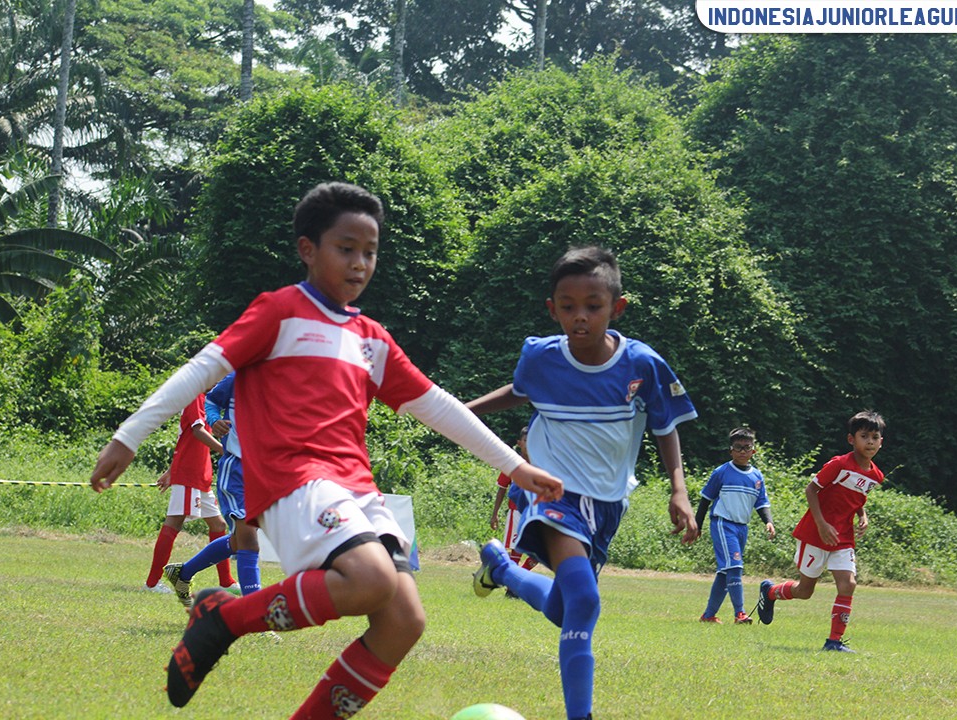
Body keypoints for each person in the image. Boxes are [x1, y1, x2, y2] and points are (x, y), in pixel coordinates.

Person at [89, 182, 564, 718]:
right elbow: (204, 369)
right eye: (346, 248)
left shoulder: (371, 339)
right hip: (293, 481)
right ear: (308, 250)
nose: (361, 263)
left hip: (356, 487)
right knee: (370, 579)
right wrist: (128, 435)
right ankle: (224, 618)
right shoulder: (280, 311)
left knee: (403, 621)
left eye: (371, 251)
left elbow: (437, 404)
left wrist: (516, 466)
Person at [467, 245, 699, 720]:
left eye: (593, 306)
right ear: (552, 309)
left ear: (617, 307)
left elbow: (665, 426)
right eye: (568, 306)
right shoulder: (540, 358)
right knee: (586, 601)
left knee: (563, 608)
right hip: (554, 493)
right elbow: (520, 393)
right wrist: (460, 413)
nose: (580, 317)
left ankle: (502, 569)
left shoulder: (643, 365)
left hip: (608, 503)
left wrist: (679, 488)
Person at [755, 410, 886, 653]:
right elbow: (811, 491)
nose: (870, 441)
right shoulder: (839, 464)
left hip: (843, 537)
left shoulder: (876, 475)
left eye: (875, 437)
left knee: (848, 584)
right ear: (851, 439)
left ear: (881, 441)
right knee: (805, 591)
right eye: (864, 436)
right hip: (815, 533)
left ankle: (833, 642)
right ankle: (770, 592)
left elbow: (857, 498)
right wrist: (822, 524)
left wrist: (862, 515)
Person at [163, 371, 259, 609]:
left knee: (238, 541)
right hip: (236, 468)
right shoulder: (239, 378)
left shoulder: (289, 383)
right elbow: (212, 402)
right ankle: (254, 616)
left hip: (265, 473)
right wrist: (215, 420)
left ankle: (183, 573)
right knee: (248, 538)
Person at [143, 394, 234, 595]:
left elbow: (184, 440)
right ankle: (151, 583)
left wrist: (170, 470)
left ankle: (226, 581)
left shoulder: (207, 400)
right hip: (189, 475)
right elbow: (196, 431)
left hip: (200, 476)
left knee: (218, 525)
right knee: (174, 523)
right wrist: (224, 450)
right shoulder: (195, 397)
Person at [694, 426, 775, 625]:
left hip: (742, 527)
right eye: (737, 448)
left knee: (725, 572)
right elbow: (705, 499)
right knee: (735, 566)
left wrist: (769, 522)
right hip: (723, 523)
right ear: (730, 450)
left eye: (746, 448)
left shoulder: (757, 476)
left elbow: (761, 503)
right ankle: (740, 613)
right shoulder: (722, 472)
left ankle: (708, 615)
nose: (742, 452)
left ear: (753, 451)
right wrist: (696, 525)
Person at [489, 426, 538, 585]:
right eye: (525, 440)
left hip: (537, 512)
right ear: (519, 443)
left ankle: (515, 576)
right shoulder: (512, 463)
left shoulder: (541, 463)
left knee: (539, 552)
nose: (529, 443)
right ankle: (512, 585)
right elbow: (502, 489)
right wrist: (495, 513)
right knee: (516, 549)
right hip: (516, 512)